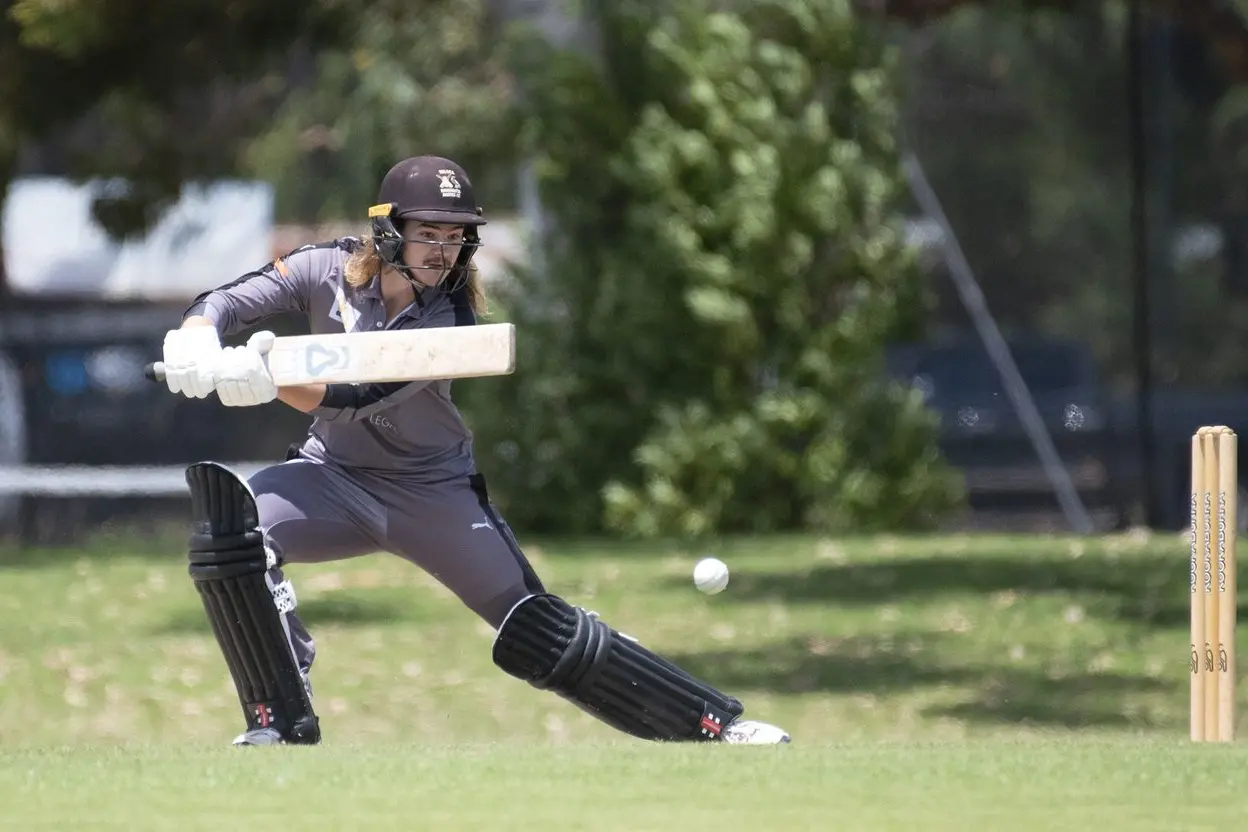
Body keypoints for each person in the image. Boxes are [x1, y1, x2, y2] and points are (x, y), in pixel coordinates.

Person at [160, 155, 791, 747]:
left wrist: (263, 381)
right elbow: (226, 301)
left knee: (535, 629)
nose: (443, 250)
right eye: (428, 232)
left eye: (456, 235)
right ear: (386, 232)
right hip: (333, 478)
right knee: (232, 534)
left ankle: (713, 725)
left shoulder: (451, 316)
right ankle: (281, 718)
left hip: (432, 492)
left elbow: (355, 394)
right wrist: (197, 342)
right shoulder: (322, 267)